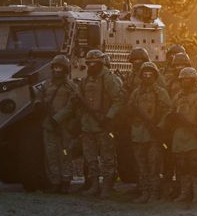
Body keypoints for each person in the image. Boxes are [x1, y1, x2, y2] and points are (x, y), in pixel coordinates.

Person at [75, 49, 123, 198]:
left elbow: (119, 99)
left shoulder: (108, 78)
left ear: (101, 63)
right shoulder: (85, 80)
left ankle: (107, 187)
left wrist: (108, 117)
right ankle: (94, 185)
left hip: (104, 124)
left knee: (107, 158)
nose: (91, 66)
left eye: (95, 63)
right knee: (90, 157)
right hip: (88, 125)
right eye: (89, 63)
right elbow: (78, 101)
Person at [128, 61, 171, 203]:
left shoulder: (161, 92)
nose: (147, 77)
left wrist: (158, 126)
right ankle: (145, 192)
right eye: (144, 74)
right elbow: (129, 109)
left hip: (153, 135)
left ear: (155, 76)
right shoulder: (136, 93)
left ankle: (154, 193)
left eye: (150, 74)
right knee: (141, 166)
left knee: (154, 165)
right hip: (138, 133)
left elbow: (167, 111)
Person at [169, 67, 197, 205]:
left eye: (188, 79)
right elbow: (171, 113)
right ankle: (184, 193)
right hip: (180, 136)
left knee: (196, 166)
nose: (185, 82)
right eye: (183, 79)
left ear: (194, 80)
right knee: (182, 166)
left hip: (195, 136)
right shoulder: (178, 96)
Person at [37, 54, 75, 193]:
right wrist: (39, 104)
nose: (57, 70)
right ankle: (55, 181)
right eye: (55, 67)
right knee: (50, 153)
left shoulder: (71, 86)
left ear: (65, 70)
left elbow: (71, 106)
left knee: (65, 153)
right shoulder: (47, 84)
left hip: (64, 125)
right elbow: (39, 97)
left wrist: (58, 118)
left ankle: (66, 181)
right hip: (48, 124)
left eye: (60, 67)